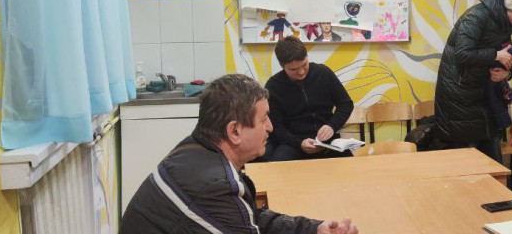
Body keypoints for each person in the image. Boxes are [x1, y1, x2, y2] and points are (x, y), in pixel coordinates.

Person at [120, 74, 358, 234]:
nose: (270, 127)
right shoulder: (216, 187)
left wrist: (312, 229)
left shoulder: (193, 150)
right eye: (264, 119)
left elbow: (249, 217)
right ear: (234, 131)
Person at [433, 0, 512, 163]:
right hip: (460, 96)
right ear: (511, 6)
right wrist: (496, 55)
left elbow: (505, 55)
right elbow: (462, 54)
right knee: (470, 162)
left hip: (484, 95)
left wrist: (507, 73)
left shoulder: (504, 23)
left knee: (493, 159)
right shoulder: (475, 16)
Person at [264, 36, 354, 161]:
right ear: (282, 65)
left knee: (348, 162)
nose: (301, 72)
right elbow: (276, 126)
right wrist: (299, 143)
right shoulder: (273, 86)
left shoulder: (324, 73)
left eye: (304, 64)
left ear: (307, 56)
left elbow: (346, 104)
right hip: (293, 143)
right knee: (279, 162)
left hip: (327, 140)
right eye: (294, 69)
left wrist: (332, 126)